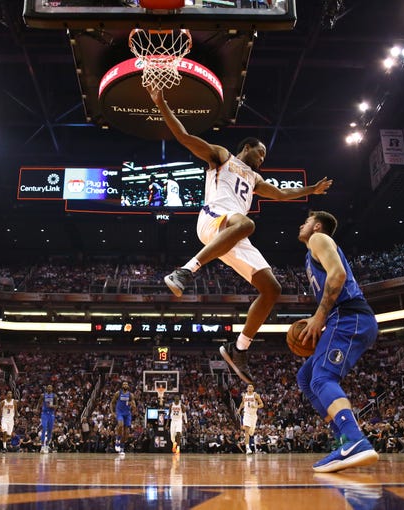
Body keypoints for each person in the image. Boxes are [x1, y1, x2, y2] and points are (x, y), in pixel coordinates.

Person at [147, 86, 333, 384]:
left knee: (272, 288)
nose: (263, 157)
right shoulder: (223, 157)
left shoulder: (256, 179)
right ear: (247, 147)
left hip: (234, 230)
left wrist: (310, 190)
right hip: (213, 218)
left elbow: (282, 193)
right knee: (247, 223)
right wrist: (161, 104)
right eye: (261, 151)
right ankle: (185, 271)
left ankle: (239, 348)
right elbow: (184, 137)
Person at [295, 211, 379, 472]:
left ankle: (354, 439)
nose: (302, 224)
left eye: (306, 221)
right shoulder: (311, 252)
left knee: (321, 378)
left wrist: (320, 315)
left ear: (317, 225)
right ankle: (344, 441)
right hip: (341, 317)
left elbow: (338, 275)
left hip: (349, 315)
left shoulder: (318, 239)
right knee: (306, 378)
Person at [236, 384, 264, 454]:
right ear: (247, 389)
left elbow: (262, 404)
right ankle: (247, 448)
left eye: (251, 387)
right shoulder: (244, 395)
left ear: (253, 388)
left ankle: (249, 440)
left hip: (253, 415)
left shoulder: (256, 395)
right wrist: (239, 409)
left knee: (251, 432)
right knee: (246, 430)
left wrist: (255, 406)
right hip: (246, 414)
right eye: (248, 387)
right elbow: (242, 403)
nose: (250, 388)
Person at [110, 381, 136, 454]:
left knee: (126, 432)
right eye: (124, 384)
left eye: (126, 384)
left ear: (128, 386)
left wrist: (134, 408)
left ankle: (122, 447)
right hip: (119, 412)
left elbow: (134, 404)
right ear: (122, 386)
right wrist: (112, 412)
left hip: (127, 413)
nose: (125, 385)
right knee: (120, 425)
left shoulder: (131, 395)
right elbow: (112, 403)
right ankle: (117, 440)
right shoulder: (118, 393)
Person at [38, 384, 57, 454]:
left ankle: (47, 445)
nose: (49, 388)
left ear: (52, 389)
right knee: (44, 428)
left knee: (50, 430)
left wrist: (52, 406)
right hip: (44, 413)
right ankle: (42, 445)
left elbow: (56, 406)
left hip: (51, 414)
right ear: (46, 388)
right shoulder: (43, 395)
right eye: (48, 387)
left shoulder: (54, 396)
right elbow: (39, 402)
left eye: (50, 387)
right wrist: (37, 409)